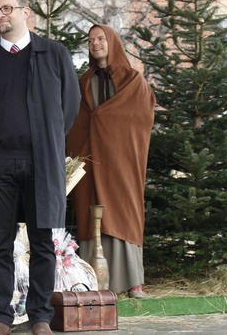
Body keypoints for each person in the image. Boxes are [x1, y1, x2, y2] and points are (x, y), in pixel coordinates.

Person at [0, 0, 80, 335]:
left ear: (25, 12)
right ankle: (1, 318)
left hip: (40, 163)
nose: (1, 15)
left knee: (43, 241)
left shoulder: (53, 53)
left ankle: (40, 317)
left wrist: (47, 139)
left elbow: (69, 106)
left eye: (8, 9)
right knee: (0, 241)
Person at [67, 24, 155, 298]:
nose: (95, 44)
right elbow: (75, 120)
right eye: (91, 40)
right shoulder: (82, 83)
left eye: (101, 39)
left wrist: (107, 124)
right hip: (90, 159)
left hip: (121, 159)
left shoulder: (133, 81)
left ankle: (132, 281)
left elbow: (140, 118)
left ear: (113, 42)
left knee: (124, 210)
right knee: (89, 208)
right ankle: (93, 280)